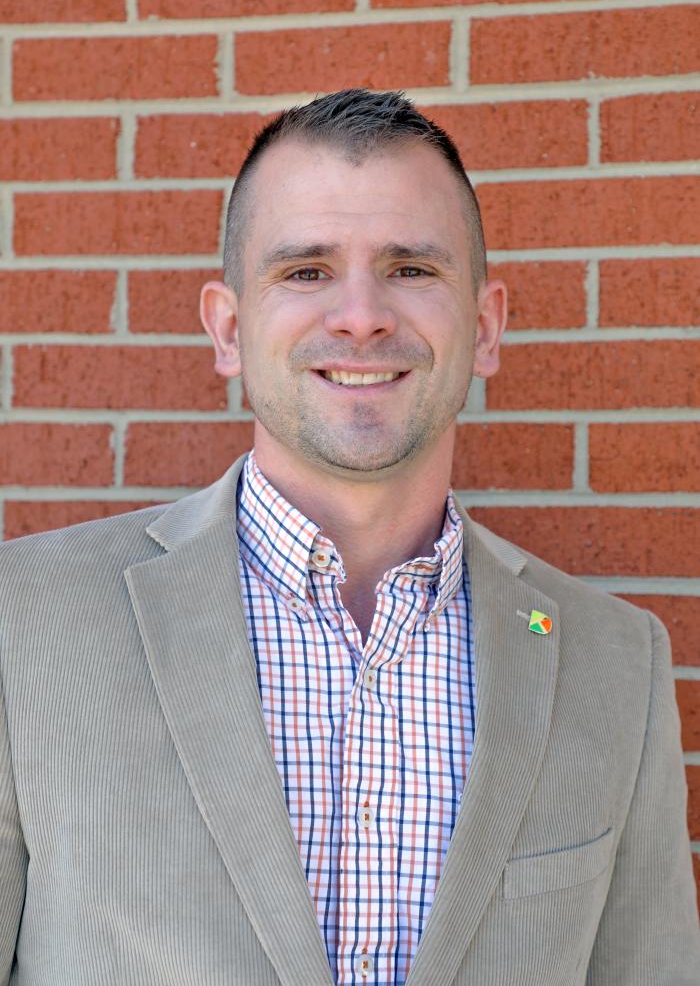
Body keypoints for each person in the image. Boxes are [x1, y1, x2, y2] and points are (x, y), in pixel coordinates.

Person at [0, 89, 697, 986]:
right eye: (305, 270)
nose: (361, 315)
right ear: (228, 327)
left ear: (484, 327)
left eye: (411, 268)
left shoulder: (617, 664)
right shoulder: (26, 624)